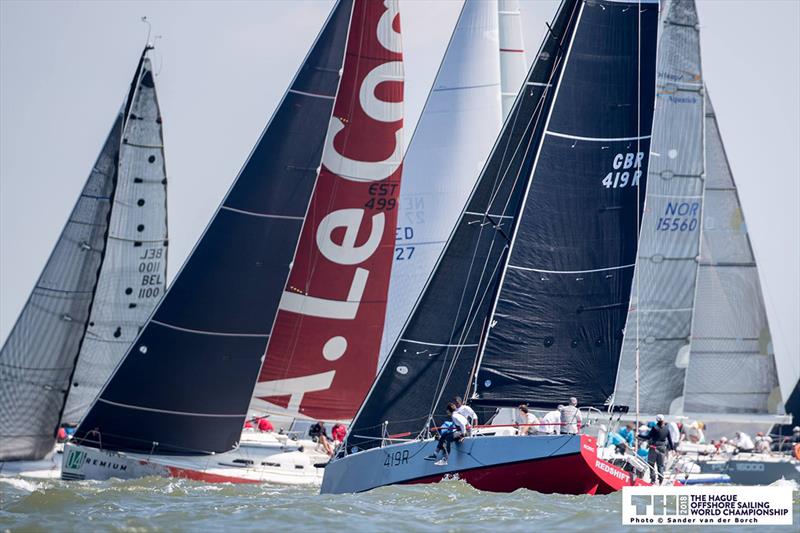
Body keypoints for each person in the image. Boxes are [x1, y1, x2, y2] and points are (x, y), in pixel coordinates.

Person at [644, 414, 675, 485]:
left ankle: (653, 480)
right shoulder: (667, 429)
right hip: (662, 448)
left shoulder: (654, 428)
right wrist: (673, 449)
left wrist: (638, 435)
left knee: (651, 464)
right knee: (660, 465)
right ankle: (661, 480)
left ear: (656, 420)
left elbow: (648, 437)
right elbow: (670, 440)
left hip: (654, 448)